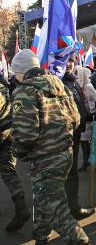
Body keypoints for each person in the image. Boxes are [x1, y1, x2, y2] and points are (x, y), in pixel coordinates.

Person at [10, 49, 90, 244]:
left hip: (44, 158)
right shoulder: (59, 84)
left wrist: (19, 152)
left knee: (56, 207)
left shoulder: (25, 91)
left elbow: (25, 133)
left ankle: (80, 239)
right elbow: (76, 119)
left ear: (21, 71)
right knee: (43, 197)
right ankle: (41, 235)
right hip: (65, 153)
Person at [62, 56, 95, 220]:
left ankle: (73, 208)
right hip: (60, 138)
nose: (68, 63)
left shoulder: (72, 81)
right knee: (61, 175)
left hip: (74, 136)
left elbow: (79, 104)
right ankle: (59, 214)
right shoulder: (56, 82)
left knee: (71, 173)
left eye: (71, 60)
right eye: (63, 59)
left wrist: (90, 116)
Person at [0, 75, 31, 232]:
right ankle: (21, 206)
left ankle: (21, 208)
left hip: (3, 134)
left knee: (8, 171)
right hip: (8, 134)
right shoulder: (3, 86)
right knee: (9, 171)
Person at [73, 66, 96, 172]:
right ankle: (86, 163)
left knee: (95, 141)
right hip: (83, 118)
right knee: (84, 142)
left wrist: (93, 113)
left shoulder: (88, 87)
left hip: (91, 118)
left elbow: (93, 101)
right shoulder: (78, 87)